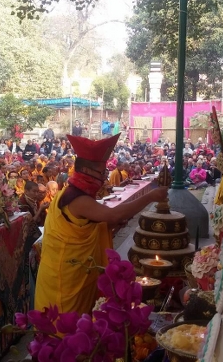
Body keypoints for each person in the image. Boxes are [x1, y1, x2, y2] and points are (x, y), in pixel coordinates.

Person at [35, 133, 169, 315]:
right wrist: (151, 196)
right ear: (87, 171)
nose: (104, 178)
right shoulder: (75, 198)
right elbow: (113, 214)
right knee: (63, 330)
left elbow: (91, 225)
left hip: (80, 271)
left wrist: (109, 227)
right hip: (64, 277)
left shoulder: (75, 193)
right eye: (101, 172)